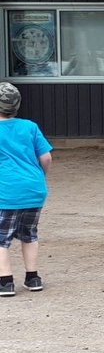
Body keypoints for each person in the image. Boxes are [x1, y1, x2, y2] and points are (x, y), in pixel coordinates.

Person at [0, 82, 52, 297]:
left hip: (6, 192)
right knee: (29, 234)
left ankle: (5, 281)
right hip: (34, 190)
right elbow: (46, 157)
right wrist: (40, 177)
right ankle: (33, 277)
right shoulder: (30, 127)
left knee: (1, 238)